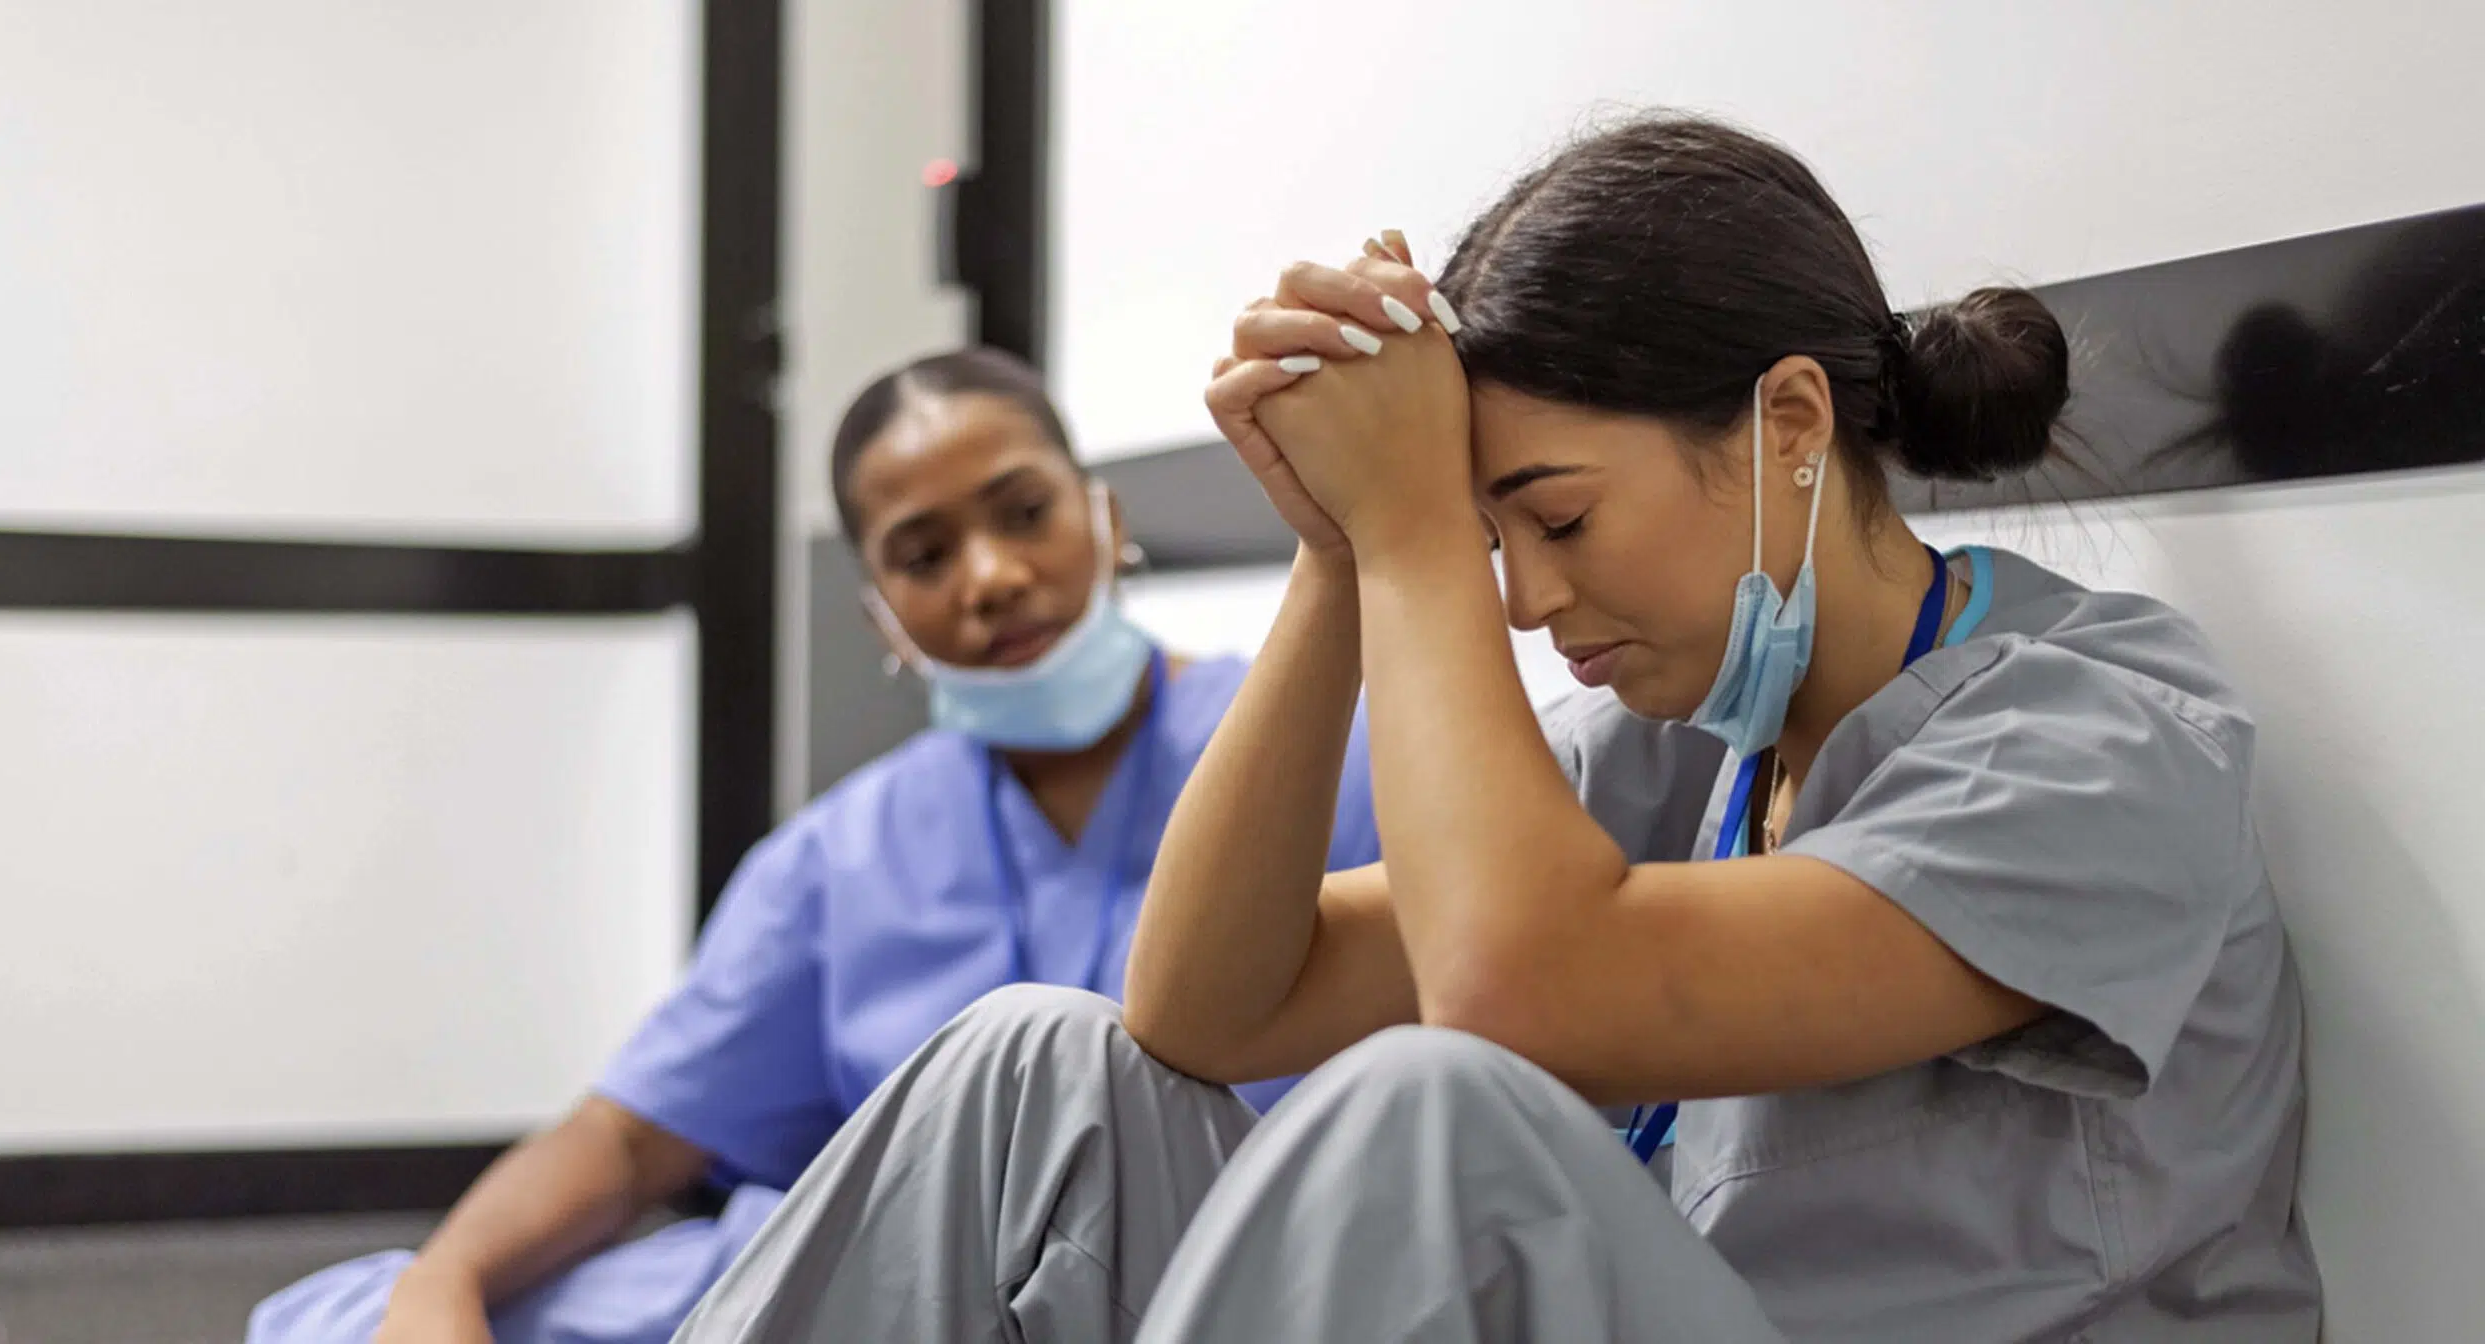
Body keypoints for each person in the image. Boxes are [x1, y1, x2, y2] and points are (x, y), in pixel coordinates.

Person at [668, 115, 2320, 1343]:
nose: (1522, 599)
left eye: (1556, 518)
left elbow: (1513, 997)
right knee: (1040, 1058)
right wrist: (1340, 548)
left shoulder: (2095, 742)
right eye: (1484, 538)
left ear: (1788, 425)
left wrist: (1409, 539)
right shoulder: (1676, 758)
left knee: (1433, 1117)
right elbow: (1200, 1006)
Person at [245, 347, 1383, 1344]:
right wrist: (446, 1283)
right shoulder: (840, 858)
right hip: (923, 1293)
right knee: (358, 1314)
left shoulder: (1329, 748)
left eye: (1022, 511)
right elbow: (635, 1138)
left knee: (1036, 1058)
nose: (989, 577)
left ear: (1106, 520)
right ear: (880, 615)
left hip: (1226, 1281)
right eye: (924, 555)